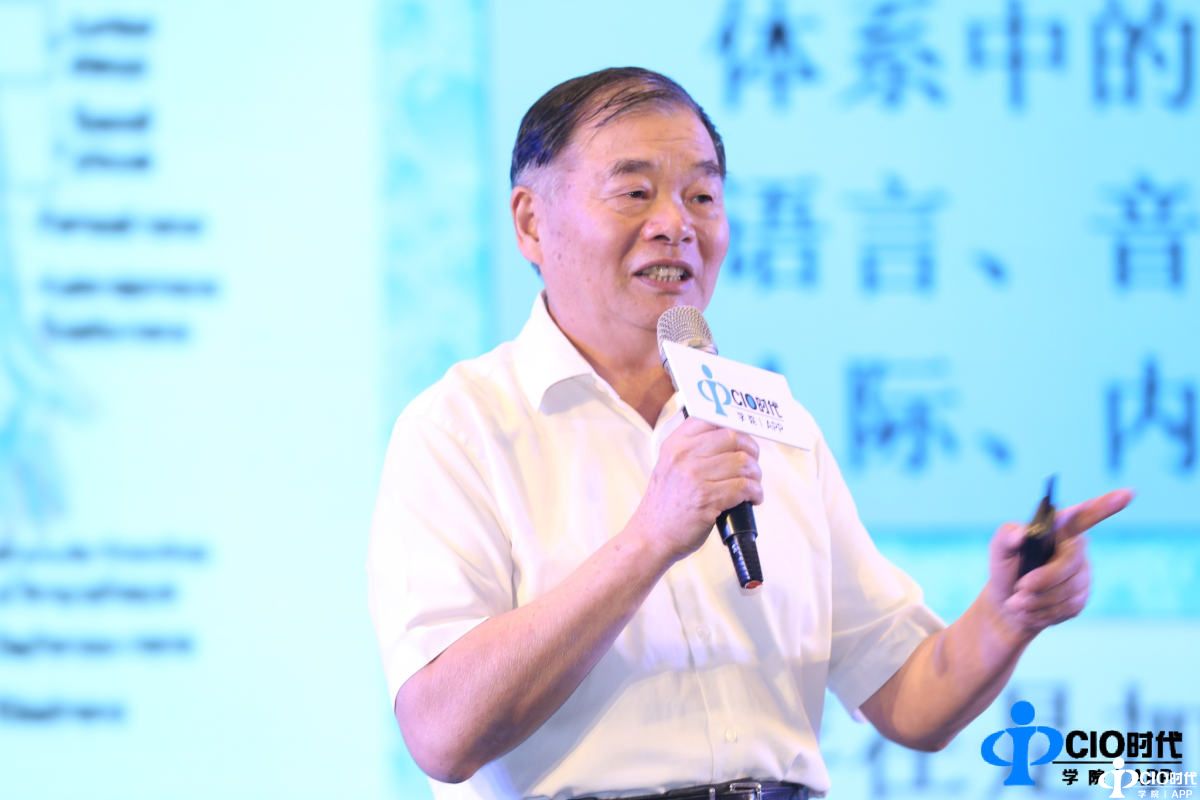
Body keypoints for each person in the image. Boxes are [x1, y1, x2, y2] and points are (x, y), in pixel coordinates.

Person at [367, 67, 1132, 800]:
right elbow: (442, 730)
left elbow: (908, 693)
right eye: (634, 192)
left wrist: (1008, 614)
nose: (676, 225)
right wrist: (651, 537)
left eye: (702, 196)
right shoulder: (461, 428)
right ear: (532, 222)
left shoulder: (772, 421)